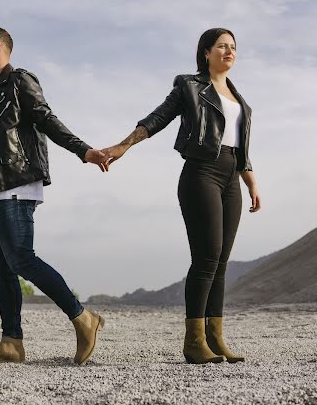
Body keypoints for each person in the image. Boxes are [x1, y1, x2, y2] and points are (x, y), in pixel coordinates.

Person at [103, 28, 261, 364]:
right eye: (222, 46)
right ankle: (194, 342)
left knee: (220, 263)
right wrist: (124, 145)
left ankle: (216, 339)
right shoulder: (190, 86)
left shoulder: (239, 99)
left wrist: (251, 183)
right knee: (207, 257)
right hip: (201, 173)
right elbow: (158, 118)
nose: (229, 51)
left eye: (233, 47)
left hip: (232, 177)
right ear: (206, 52)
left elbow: (241, 148)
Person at [0, 27, 107, 366]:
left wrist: (84, 151)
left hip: (15, 185)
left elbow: (46, 119)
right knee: (0, 268)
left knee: (21, 259)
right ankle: (11, 342)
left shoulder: (18, 81)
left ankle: (83, 318)